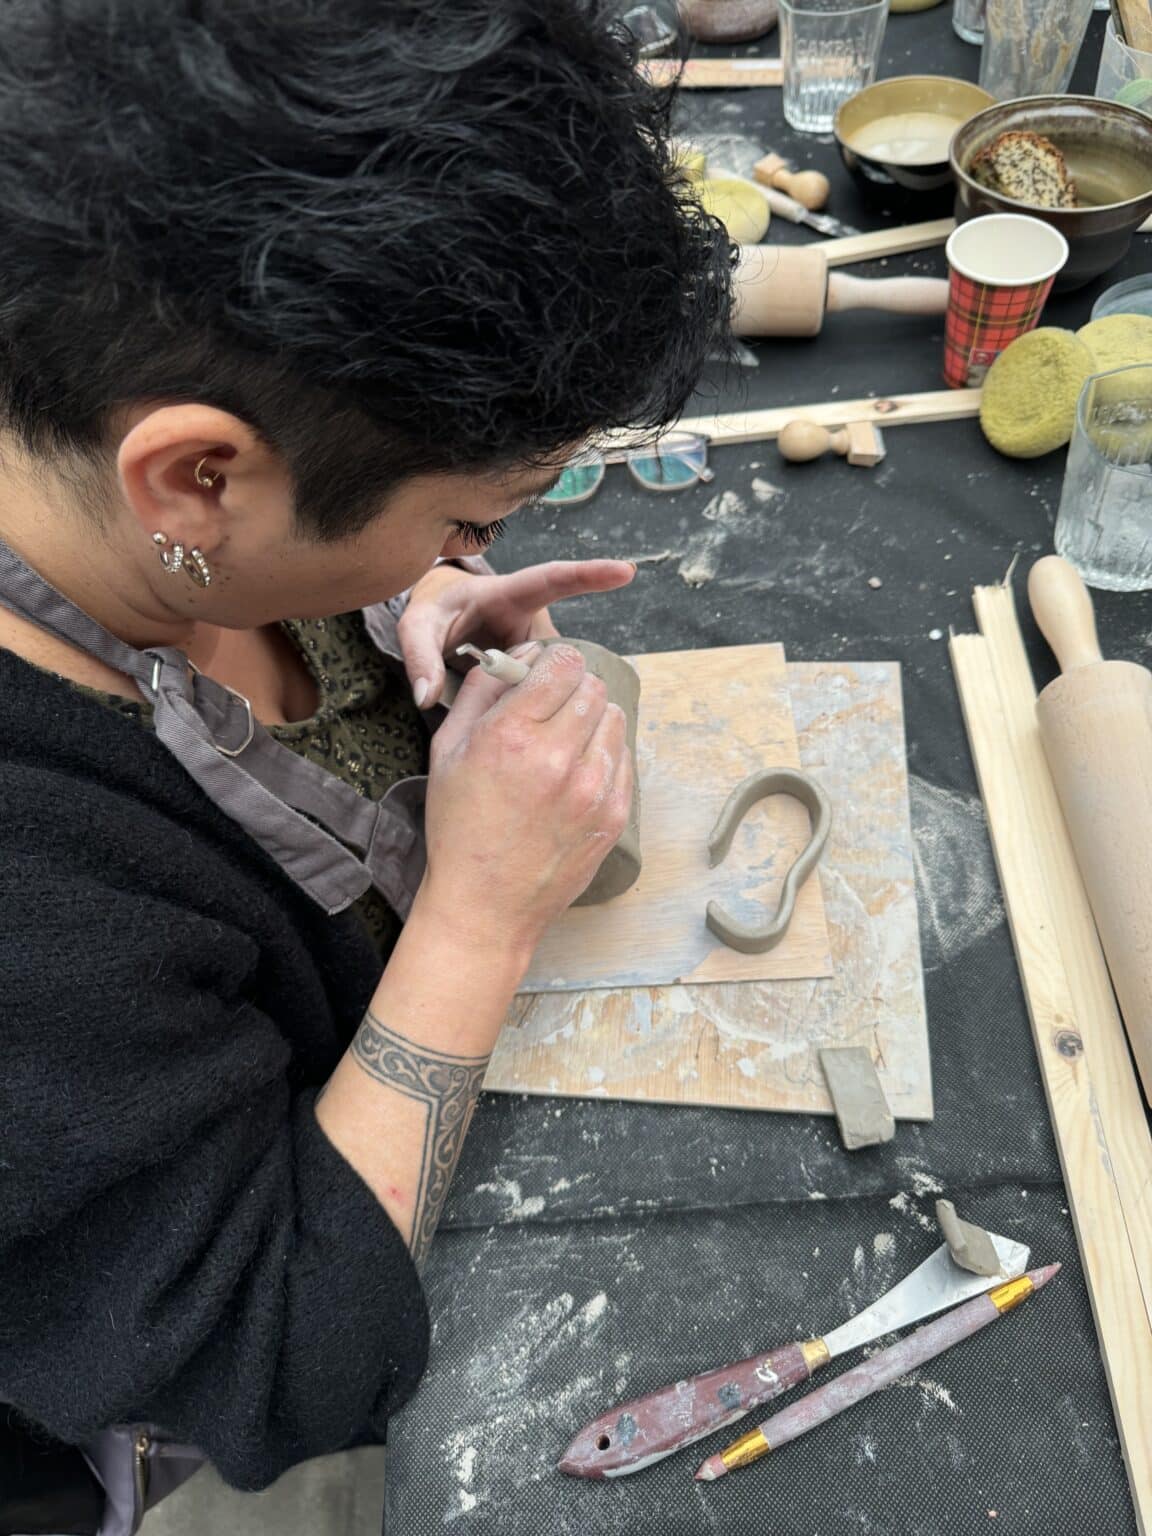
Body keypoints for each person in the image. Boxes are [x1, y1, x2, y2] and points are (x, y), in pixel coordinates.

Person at [0, 0, 732, 1515]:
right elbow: (281, 1359)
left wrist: (398, 610)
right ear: (197, 477)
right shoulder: (37, 885)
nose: (476, 550)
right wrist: (479, 915)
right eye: (467, 519)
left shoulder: (109, 436)